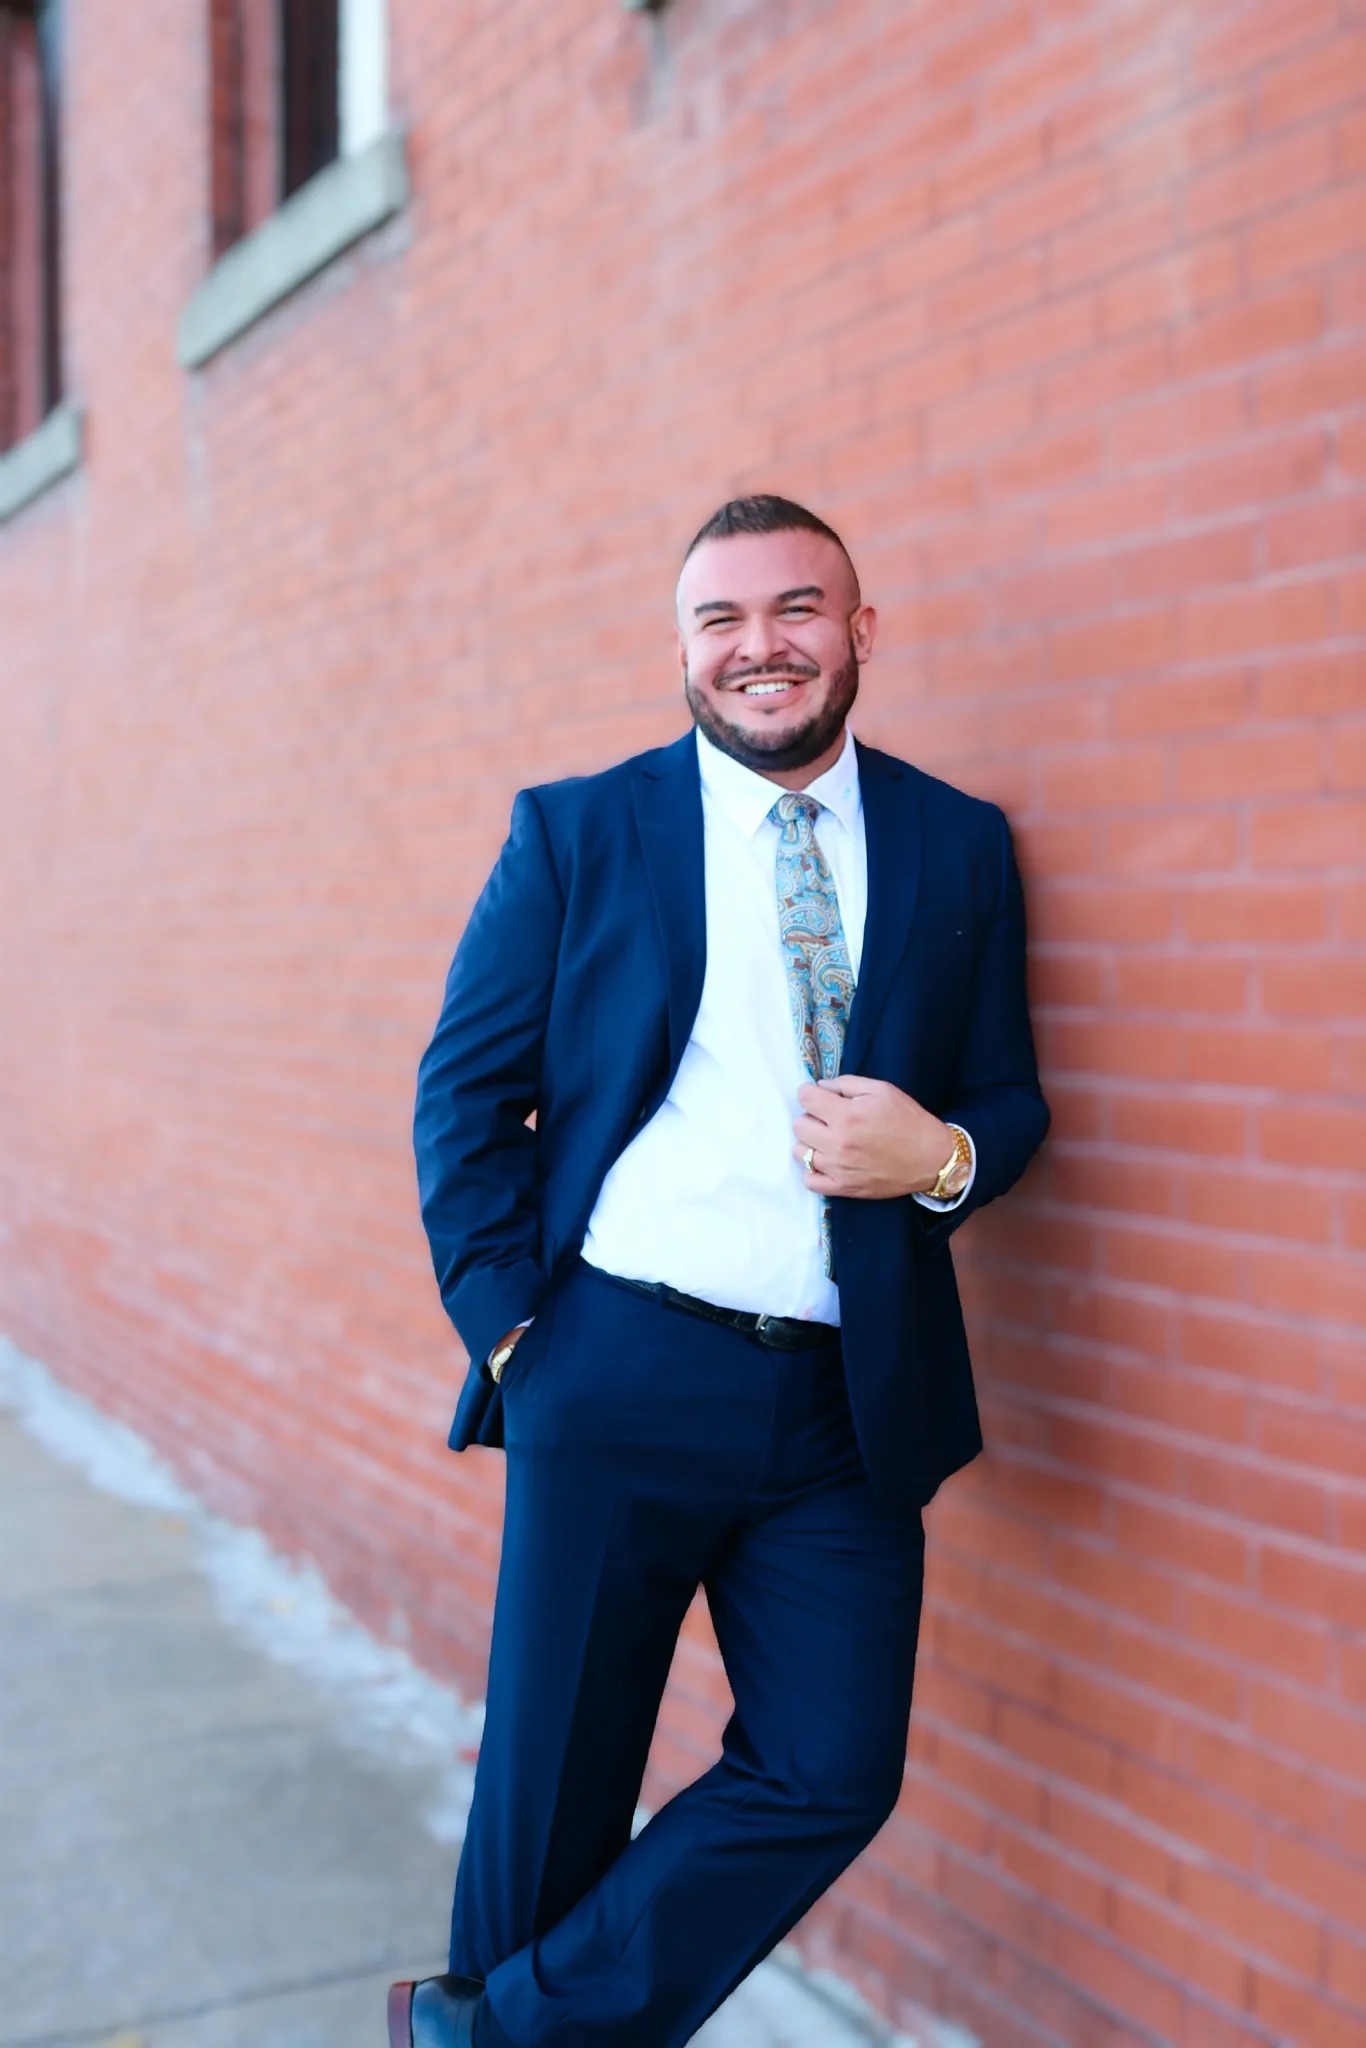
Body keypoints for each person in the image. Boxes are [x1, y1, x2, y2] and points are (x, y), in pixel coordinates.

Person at [395, 495, 1049, 2048]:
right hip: (614, 1365)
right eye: (722, 619)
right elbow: (462, 1097)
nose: (760, 646)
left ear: (859, 631)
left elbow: (1008, 1094)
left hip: (846, 1395)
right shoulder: (580, 830)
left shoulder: (957, 842)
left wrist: (936, 1159)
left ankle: (487, 2039)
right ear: (683, 647)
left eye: (796, 610)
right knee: (553, 1788)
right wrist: (512, 1334)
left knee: (829, 1769)